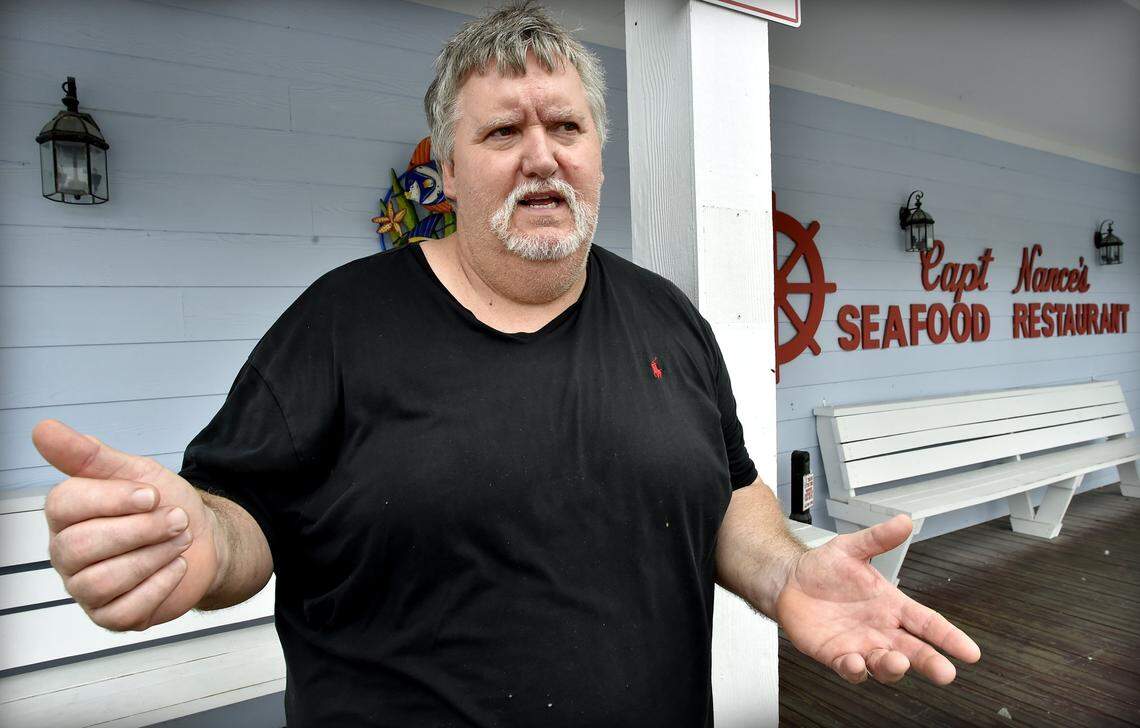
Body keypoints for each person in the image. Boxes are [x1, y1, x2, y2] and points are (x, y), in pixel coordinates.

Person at [31, 3, 980, 726]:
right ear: (446, 169)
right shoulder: (339, 323)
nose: (541, 158)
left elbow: (728, 491)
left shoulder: (669, 320)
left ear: (598, 154)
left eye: (565, 128)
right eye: (501, 133)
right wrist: (188, 539)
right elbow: (241, 528)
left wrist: (786, 578)